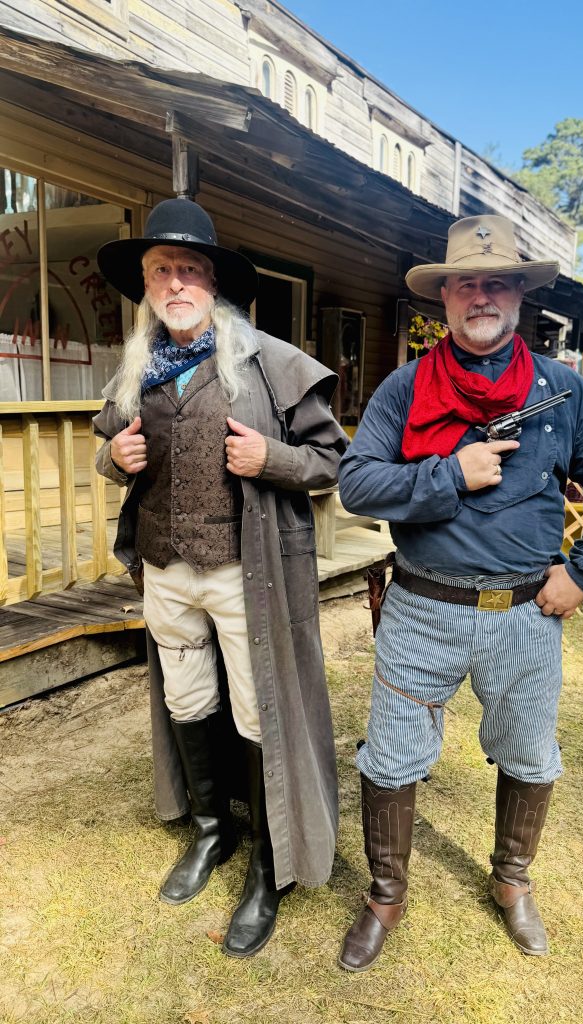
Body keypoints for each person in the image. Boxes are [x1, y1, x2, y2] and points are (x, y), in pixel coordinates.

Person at [337, 215, 583, 971]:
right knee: (390, 757)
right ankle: (385, 896)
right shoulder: (405, 388)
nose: (481, 296)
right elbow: (356, 483)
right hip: (420, 608)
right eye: (466, 283)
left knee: (530, 753)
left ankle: (512, 881)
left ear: (518, 296)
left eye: (496, 282)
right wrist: (450, 473)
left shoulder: (563, 392)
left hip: (525, 613)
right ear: (444, 297)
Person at [93, 197, 347, 958]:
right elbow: (108, 446)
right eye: (159, 270)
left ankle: (268, 867)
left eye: (189, 269)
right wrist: (114, 459)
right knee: (187, 699)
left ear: (214, 283)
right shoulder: (136, 368)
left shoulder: (271, 363)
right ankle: (213, 831)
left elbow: (333, 462)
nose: (175, 283)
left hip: (247, 573)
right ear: (146, 285)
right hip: (165, 571)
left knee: (258, 711)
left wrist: (272, 459)